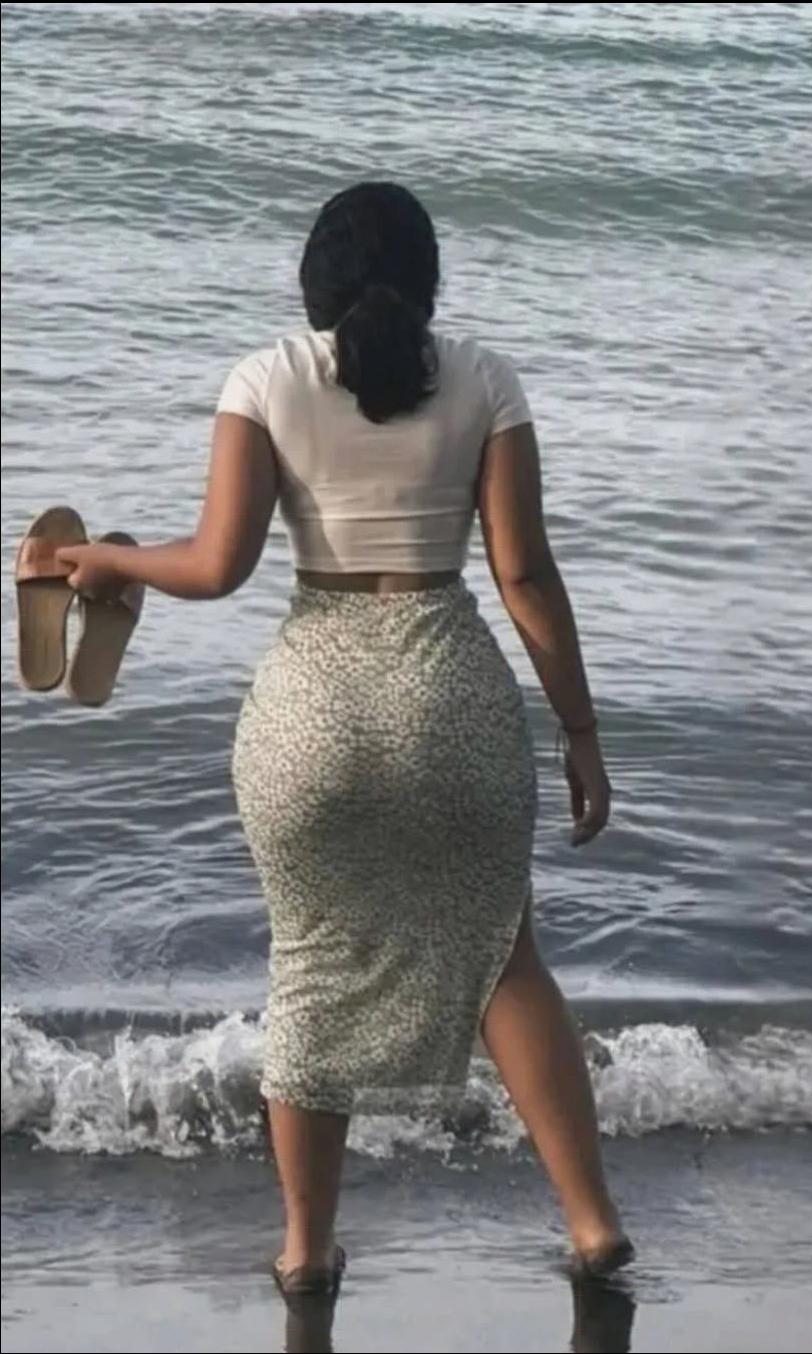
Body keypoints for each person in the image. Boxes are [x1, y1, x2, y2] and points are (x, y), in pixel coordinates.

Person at [57, 181, 631, 1292]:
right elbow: (521, 573)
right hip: (450, 701)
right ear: (428, 281)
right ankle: (592, 1222)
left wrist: (112, 563)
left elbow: (218, 565)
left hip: (308, 715)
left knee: (310, 968)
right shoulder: (485, 381)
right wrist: (580, 729)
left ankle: (306, 1252)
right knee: (503, 958)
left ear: (314, 282)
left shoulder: (264, 380)